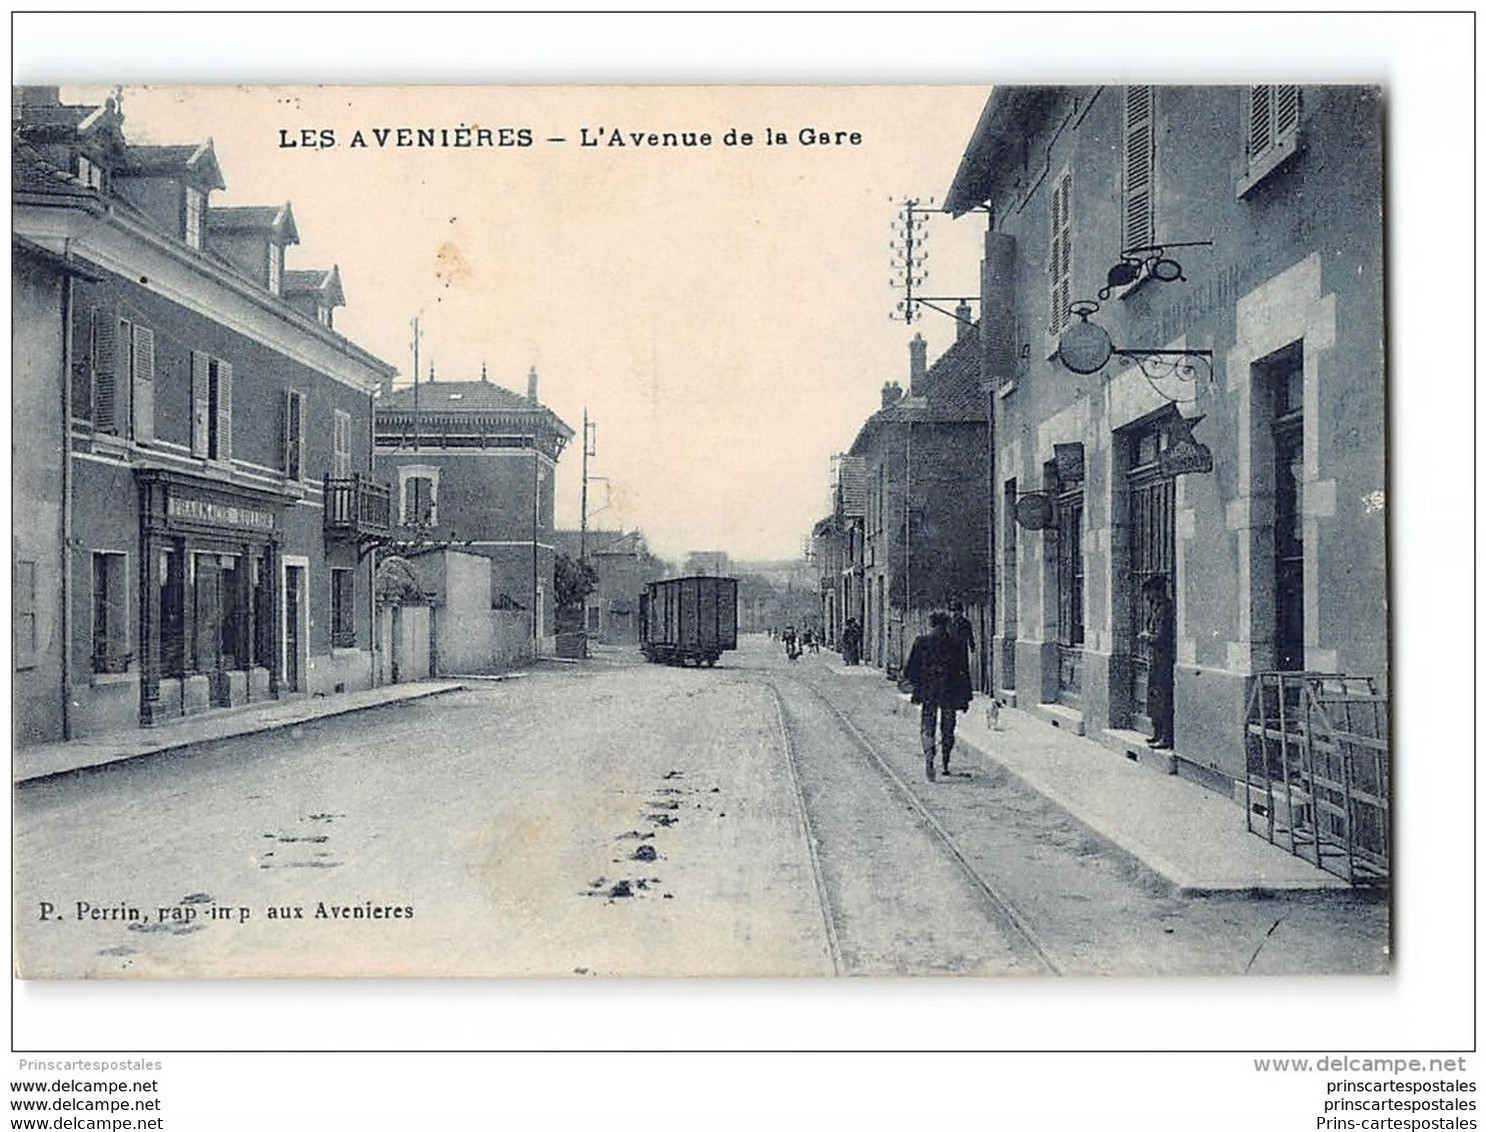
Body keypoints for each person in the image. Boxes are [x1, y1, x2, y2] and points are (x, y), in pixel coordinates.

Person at [902, 611, 973, 781]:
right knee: (948, 727)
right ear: (947, 625)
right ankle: (946, 762)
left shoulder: (922, 642)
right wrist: (965, 697)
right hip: (949, 692)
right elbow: (964, 672)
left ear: (931, 624)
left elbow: (911, 670)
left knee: (928, 725)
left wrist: (916, 684)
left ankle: (929, 757)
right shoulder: (957, 644)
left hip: (928, 692)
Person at [1139, 575, 1175, 750]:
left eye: (1149, 592)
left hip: (1163, 661)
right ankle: (1157, 733)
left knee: (1163, 699)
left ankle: (1166, 737)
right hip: (1154, 659)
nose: (1147, 596)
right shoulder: (1155, 608)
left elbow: (1162, 637)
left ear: (1157, 591)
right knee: (1154, 698)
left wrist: (1148, 637)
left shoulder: (1166, 608)